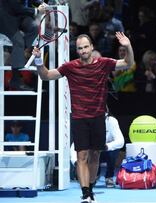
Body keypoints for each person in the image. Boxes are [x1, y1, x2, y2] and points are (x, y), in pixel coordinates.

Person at [31, 32, 134, 203]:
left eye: (86, 47)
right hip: (79, 117)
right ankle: (85, 193)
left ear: (92, 47)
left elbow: (128, 63)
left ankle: (90, 189)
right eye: (80, 48)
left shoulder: (104, 63)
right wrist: (38, 60)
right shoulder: (70, 67)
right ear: (77, 51)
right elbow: (46, 76)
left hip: (99, 116)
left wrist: (127, 45)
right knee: (82, 156)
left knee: (95, 155)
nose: (83, 50)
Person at [0, 0, 47, 90]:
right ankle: (15, 80)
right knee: (19, 42)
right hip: (6, 18)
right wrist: (36, 10)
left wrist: (41, 2)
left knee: (34, 28)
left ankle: (17, 52)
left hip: (21, 16)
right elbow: (16, 7)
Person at [71, 112, 125, 188]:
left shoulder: (111, 121)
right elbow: (77, 144)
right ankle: (94, 176)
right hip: (93, 151)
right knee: (88, 152)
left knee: (113, 151)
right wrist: (76, 162)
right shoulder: (86, 121)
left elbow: (121, 141)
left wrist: (106, 146)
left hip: (105, 150)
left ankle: (109, 176)